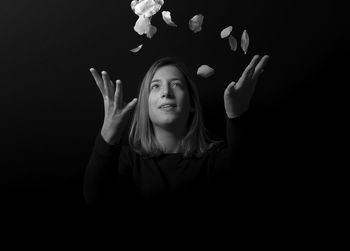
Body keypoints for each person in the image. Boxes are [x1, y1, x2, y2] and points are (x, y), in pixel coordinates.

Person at [83, 55, 270, 217]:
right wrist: (108, 133)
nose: (166, 92)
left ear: (191, 104)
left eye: (176, 84)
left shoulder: (214, 157)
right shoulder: (127, 160)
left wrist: (237, 116)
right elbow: (97, 201)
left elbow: (245, 184)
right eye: (155, 86)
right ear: (145, 106)